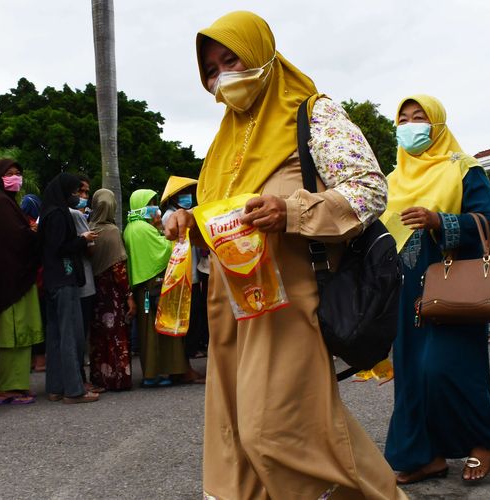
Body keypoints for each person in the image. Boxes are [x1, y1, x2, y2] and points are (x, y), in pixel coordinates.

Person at [165, 12, 405, 498]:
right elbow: (221, 216)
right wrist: (189, 223)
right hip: (232, 308)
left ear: (261, 52)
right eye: (211, 69)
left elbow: (369, 192)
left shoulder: (314, 113)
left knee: (277, 434)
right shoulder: (223, 139)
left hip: (289, 303)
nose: (222, 76)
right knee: (235, 442)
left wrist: (291, 211)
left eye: (231, 59)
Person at [380, 94, 490, 484]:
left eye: (419, 117)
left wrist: (440, 221)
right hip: (407, 293)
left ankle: (483, 440)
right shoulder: (393, 179)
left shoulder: (464, 169)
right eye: (403, 119)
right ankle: (427, 457)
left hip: (455, 286)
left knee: (445, 368)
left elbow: (489, 223)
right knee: (412, 375)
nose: (410, 125)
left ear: (437, 123)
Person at [0, 159, 42, 405]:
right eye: (10, 174)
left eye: (18, 173)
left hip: (18, 277)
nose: (15, 178)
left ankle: (17, 385)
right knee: (11, 334)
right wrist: (32, 233)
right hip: (8, 280)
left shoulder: (8, 203)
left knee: (22, 334)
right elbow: (15, 238)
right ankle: (6, 387)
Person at [39, 172, 99, 404]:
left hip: (53, 279)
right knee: (70, 336)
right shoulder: (60, 214)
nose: (78, 197)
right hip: (65, 278)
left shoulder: (48, 213)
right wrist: (82, 239)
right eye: (75, 192)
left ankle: (55, 387)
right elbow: (60, 247)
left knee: (55, 336)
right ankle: (73, 390)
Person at [125, 189, 187, 388]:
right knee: (162, 330)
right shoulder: (143, 229)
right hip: (154, 284)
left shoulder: (132, 227)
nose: (154, 207)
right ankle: (165, 371)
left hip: (142, 287)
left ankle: (151, 373)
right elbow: (164, 250)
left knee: (147, 334)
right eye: (150, 203)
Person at [88, 188, 134, 391]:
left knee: (98, 336)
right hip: (113, 293)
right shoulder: (113, 232)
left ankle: (100, 378)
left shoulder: (89, 228)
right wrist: (128, 295)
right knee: (116, 334)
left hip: (94, 292)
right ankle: (118, 378)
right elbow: (118, 269)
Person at [160, 176, 209, 361]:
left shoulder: (186, 214)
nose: (187, 196)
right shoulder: (169, 217)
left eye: (188, 193)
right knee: (192, 312)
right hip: (185, 272)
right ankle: (188, 352)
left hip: (193, 271)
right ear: (173, 197)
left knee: (196, 311)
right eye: (182, 194)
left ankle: (191, 350)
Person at [70, 174, 100, 392]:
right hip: (84, 281)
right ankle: (81, 378)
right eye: (80, 192)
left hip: (71, 280)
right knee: (80, 333)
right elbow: (90, 250)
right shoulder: (76, 216)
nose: (84, 197)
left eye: (87, 193)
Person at [19, 194, 46, 373]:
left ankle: (29, 361)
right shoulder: (36, 226)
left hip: (25, 281)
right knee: (41, 321)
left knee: (27, 321)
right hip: (39, 279)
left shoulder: (18, 224)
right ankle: (40, 361)